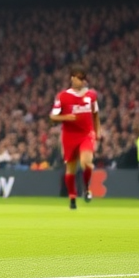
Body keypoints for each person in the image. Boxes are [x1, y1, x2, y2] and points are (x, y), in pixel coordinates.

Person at [49, 64, 101, 209]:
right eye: (79, 78)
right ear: (72, 78)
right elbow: (52, 116)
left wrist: (98, 131)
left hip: (86, 134)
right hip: (69, 136)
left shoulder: (91, 95)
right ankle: (72, 197)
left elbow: (95, 114)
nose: (82, 81)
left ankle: (86, 188)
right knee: (70, 169)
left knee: (86, 163)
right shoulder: (62, 96)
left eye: (83, 79)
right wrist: (66, 117)